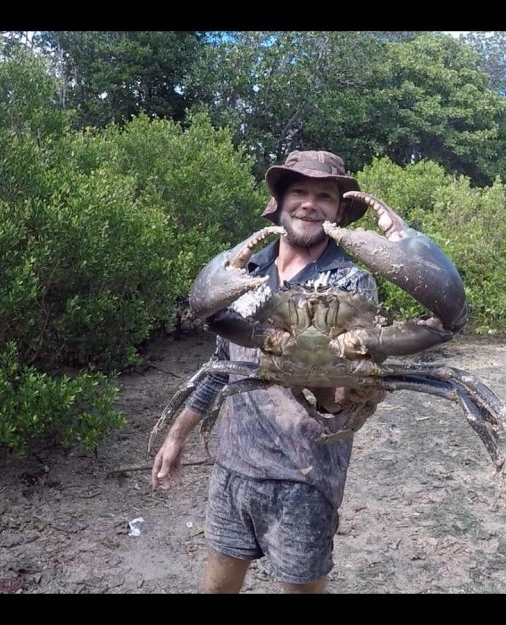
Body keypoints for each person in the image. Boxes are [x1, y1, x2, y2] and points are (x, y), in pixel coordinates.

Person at [151, 150, 388, 593]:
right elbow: (221, 365)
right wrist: (178, 435)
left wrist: (331, 384)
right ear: (279, 203)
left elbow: (346, 397)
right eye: (298, 191)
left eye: (324, 196)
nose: (309, 203)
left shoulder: (351, 282)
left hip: (304, 478)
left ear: (338, 212)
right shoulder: (246, 275)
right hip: (233, 467)